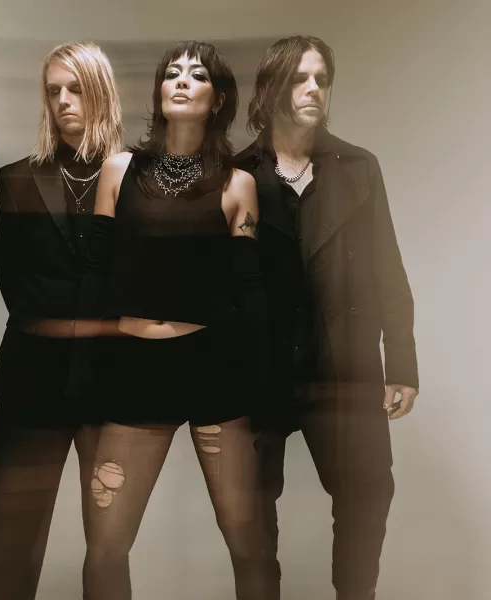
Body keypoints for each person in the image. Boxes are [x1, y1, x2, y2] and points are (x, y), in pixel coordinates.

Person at [80, 40, 270, 600]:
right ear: (159, 90)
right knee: (105, 546)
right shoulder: (119, 170)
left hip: (213, 369)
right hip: (135, 371)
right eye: (172, 73)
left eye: (198, 75)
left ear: (219, 99)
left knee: (247, 540)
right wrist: (85, 370)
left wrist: (265, 385)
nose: (182, 81)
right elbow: (94, 276)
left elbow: (250, 291)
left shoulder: (237, 184)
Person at [235, 35, 419, 600]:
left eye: (321, 78)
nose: (314, 88)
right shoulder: (236, 174)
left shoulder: (359, 167)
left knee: (368, 493)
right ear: (271, 89)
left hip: (343, 364)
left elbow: (387, 266)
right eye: (299, 78)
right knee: (249, 510)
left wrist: (402, 361)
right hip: (260, 368)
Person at [0, 41, 123, 600]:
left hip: (112, 382)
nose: (63, 100)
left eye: (76, 88)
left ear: (101, 93)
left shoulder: (138, 179)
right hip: (32, 379)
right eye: (53, 90)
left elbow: (146, 280)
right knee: (11, 539)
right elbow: (16, 285)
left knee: (109, 542)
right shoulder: (17, 179)